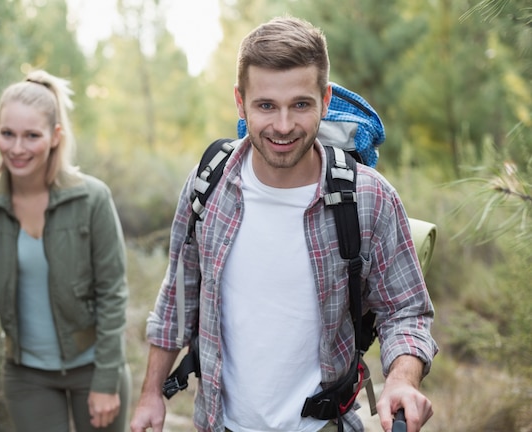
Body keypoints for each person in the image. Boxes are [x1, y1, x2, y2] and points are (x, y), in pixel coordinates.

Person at [130, 16, 438, 432]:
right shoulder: (209, 184)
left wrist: (401, 379)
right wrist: (151, 394)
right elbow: (177, 296)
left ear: (325, 100)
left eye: (300, 104)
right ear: (240, 102)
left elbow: (406, 311)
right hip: (219, 423)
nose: (283, 125)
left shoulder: (369, 197)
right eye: (266, 105)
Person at [0, 70, 131, 432]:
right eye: (7, 134)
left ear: (55, 137)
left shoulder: (92, 199)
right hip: (26, 376)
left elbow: (113, 294)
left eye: (32, 136)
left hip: (94, 366)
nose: (17, 148)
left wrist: (106, 381)